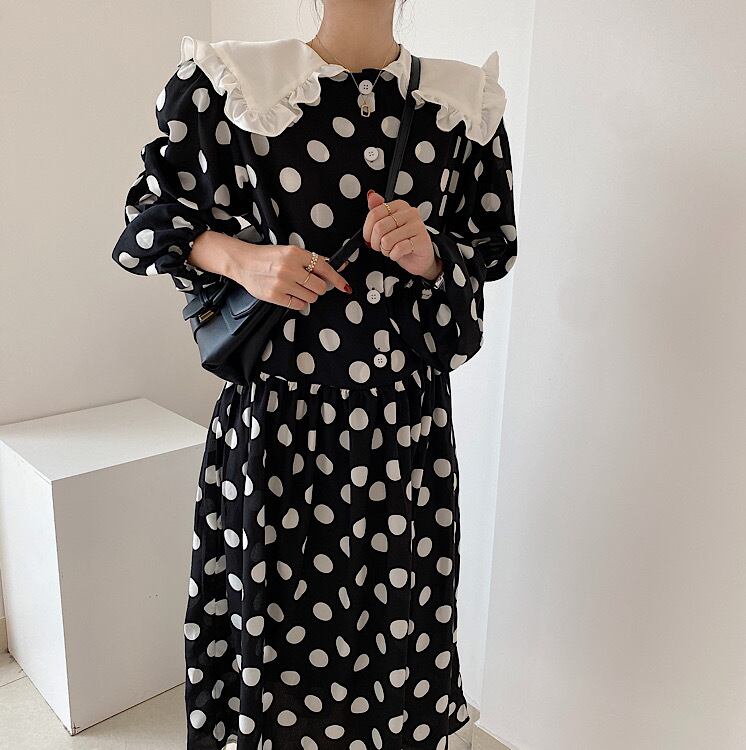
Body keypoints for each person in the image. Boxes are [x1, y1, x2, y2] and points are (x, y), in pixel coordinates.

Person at [111, 3, 517, 748]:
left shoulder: (462, 106)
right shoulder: (231, 84)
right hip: (276, 434)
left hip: (406, 438)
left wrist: (431, 254)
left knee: (398, 644)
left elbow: (491, 247)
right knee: (272, 646)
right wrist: (241, 259)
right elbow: (147, 220)